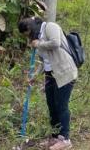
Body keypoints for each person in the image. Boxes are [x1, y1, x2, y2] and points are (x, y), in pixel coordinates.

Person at [17, 17, 77, 150]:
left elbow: (55, 43)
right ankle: (55, 137)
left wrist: (39, 44)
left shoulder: (50, 27)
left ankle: (65, 139)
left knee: (61, 105)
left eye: (28, 34)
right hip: (50, 75)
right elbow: (44, 60)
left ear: (31, 27)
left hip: (64, 72)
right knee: (52, 106)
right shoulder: (37, 37)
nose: (29, 37)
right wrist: (35, 76)